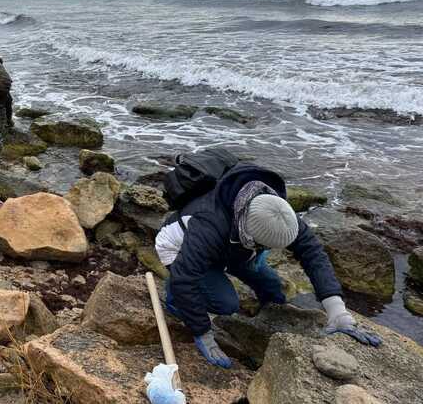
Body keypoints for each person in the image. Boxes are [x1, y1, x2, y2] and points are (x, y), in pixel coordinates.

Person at [155, 158, 382, 369]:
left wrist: (337, 310)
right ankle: (173, 299)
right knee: (226, 304)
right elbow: (186, 277)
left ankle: (261, 323)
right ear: (251, 236)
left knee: (273, 288)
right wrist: (202, 331)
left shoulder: (276, 209)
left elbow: (313, 253)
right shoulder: (209, 224)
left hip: (234, 248)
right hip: (179, 248)